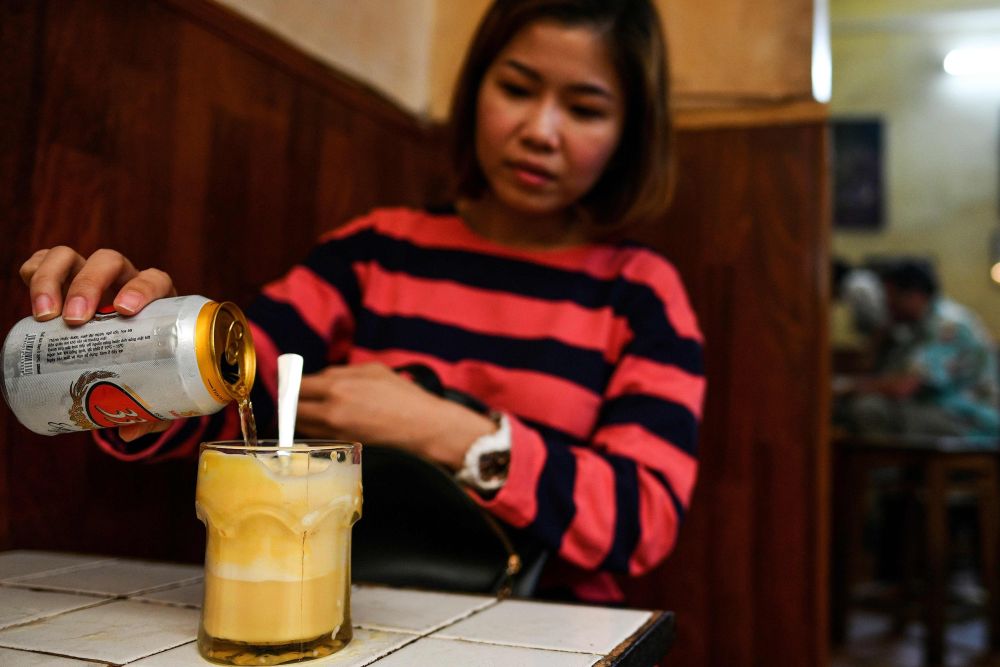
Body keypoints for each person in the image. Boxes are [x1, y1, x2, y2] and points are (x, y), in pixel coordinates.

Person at [17, 0, 705, 604]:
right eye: (517, 88)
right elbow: (241, 392)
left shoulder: (642, 293)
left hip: (551, 625)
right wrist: (136, 349)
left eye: (585, 108)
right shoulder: (378, 249)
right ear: (476, 90)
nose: (541, 131)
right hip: (357, 605)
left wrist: (443, 430)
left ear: (629, 132)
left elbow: (643, 519)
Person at [835, 258, 999, 437]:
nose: (888, 306)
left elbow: (904, 387)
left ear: (915, 295)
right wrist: (880, 335)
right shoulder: (915, 327)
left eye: (891, 297)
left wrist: (847, 387)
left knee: (869, 409)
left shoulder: (947, 324)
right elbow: (877, 370)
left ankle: (884, 465)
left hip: (969, 420)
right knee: (854, 408)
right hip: (941, 411)